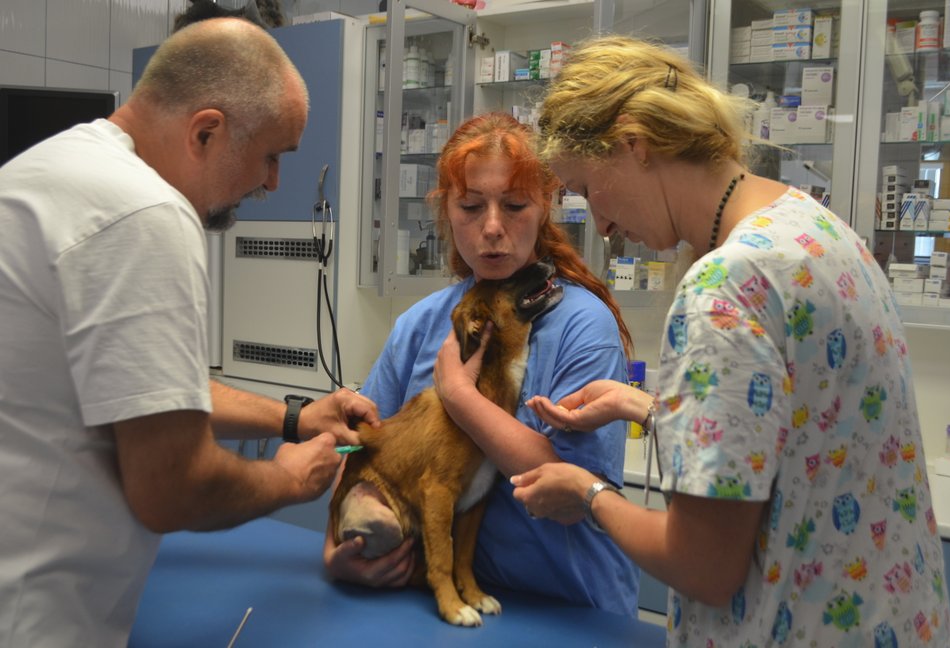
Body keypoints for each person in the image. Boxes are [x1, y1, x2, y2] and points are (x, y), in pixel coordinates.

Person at [510, 35, 950, 646]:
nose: (604, 226)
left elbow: (705, 567)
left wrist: (589, 495)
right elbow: (798, 428)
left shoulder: (726, 285)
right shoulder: (812, 226)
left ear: (634, 144)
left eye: (587, 188)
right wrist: (645, 406)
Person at [0, 18, 379, 647]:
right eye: (271, 156)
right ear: (206, 131)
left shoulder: (47, 172)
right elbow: (172, 489)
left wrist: (296, 418)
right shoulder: (146, 213)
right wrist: (289, 479)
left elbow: (143, 393)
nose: (273, 183)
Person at [323, 112, 640, 616]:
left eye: (514, 206)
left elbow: (576, 493)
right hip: (442, 603)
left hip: (567, 610)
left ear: (545, 206)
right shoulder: (421, 325)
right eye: (471, 206)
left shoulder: (583, 326)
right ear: (446, 211)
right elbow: (362, 452)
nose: (492, 228)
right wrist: (334, 553)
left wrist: (460, 397)